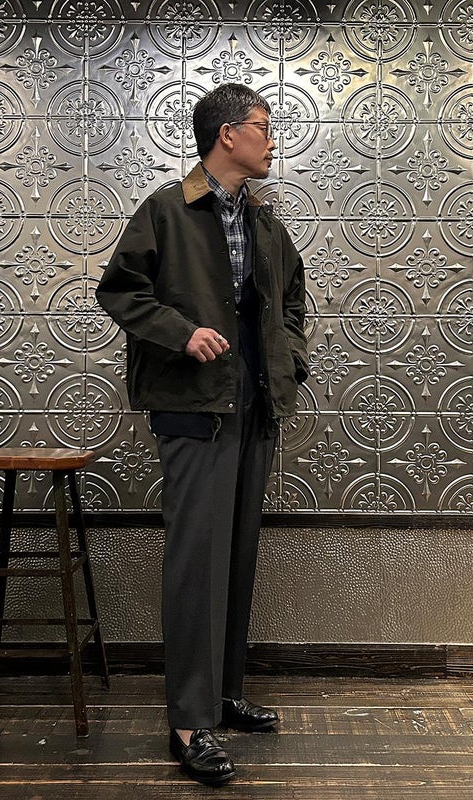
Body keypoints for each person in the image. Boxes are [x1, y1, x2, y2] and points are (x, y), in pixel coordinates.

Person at [96, 83, 308, 786]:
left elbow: (292, 301)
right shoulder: (167, 209)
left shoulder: (264, 220)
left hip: (254, 402)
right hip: (192, 405)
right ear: (227, 135)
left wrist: (290, 360)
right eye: (263, 127)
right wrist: (182, 333)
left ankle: (222, 694)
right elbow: (120, 291)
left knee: (237, 553)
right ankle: (189, 721)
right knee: (196, 559)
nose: (271, 140)